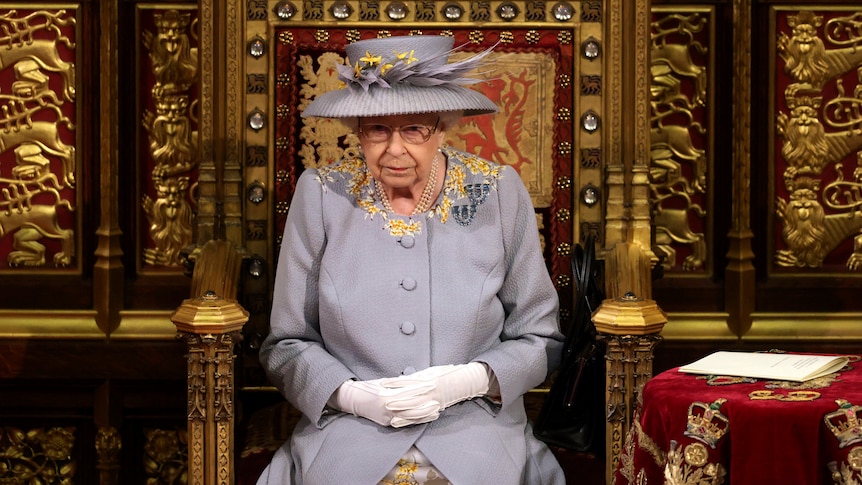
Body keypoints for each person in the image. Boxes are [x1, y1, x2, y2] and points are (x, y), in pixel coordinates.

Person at [257, 34, 566, 484]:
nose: (394, 149)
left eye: (414, 129)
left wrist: (470, 381)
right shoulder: (322, 194)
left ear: (443, 127)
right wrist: (351, 397)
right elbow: (285, 344)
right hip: (350, 432)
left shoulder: (495, 190)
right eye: (377, 129)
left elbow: (540, 337)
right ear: (357, 129)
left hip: (476, 428)